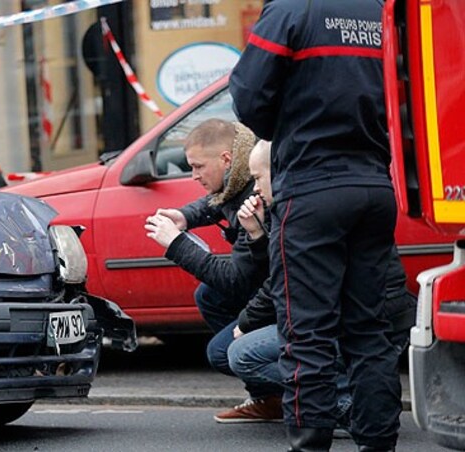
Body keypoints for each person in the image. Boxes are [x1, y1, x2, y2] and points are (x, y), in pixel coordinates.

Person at [230, 0, 400, 450]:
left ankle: (310, 444)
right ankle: (378, 443)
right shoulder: (379, 10)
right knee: (369, 331)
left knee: (307, 336)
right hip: (375, 185)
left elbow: (247, 97)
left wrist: (288, 128)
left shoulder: (292, 9)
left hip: (311, 190)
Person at [226, 141, 416, 434]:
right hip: (376, 316)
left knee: (244, 353)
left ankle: (343, 409)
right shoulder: (320, 197)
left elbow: (284, 280)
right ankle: (371, 423)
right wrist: (257, 233)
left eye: (258, 177)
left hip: (357, 320)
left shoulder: (301, 211)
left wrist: (247, 322)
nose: (255, 188)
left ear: (278, 171)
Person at [145, 119, 276, 421]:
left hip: (285, 298)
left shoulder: (256, 194)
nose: (193, 176)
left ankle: (329, 397)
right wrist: (183, 216)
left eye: (198, 167)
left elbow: (235, 280)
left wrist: (176, 244)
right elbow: (215, 203)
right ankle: (269, 398)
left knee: (223, 352)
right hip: (273, 288)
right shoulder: (240, 176)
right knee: (209, 295)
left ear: (226, 160)